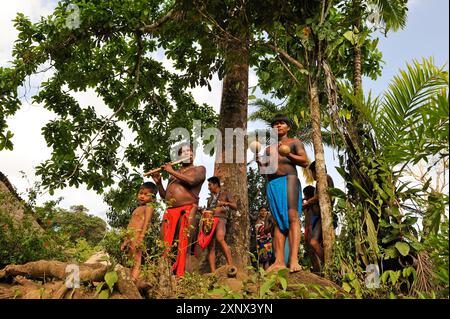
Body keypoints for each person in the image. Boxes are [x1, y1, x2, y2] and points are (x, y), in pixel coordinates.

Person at [256, 114, 309, 273]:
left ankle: (293, 260)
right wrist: (260, 163)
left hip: (289, 180)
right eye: (275, 124)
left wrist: (288, 154)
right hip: (273, 184)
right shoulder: (267, 149)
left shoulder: (294, 142)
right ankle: (279, 261)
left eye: (282, 123)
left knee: (293, 218)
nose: (278, 126)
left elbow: (305, 161)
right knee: (278, 223)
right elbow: (264, 171)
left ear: (288, 127)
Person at [151, 143, 206, 277]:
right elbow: (165, 197)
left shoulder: (199, 169)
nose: (189, 153)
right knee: (166, 246)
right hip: (170, 211)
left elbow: (192, 181)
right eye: (185, 152)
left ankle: (183, 280)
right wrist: (159, 183)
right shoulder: (173, 175)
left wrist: (171, 170)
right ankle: (165, 277)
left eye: (191, 151)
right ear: (179, 156)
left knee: (184, 246)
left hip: (188, 210)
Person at [197, 176, 237, 273]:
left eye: (210, 185)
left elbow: (235, 206)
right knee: (211, 246)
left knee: (220, 238)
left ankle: (231, 265)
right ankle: (213, 272)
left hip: (221, 219)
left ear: (216, 184)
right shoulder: (210, 199)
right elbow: (209, 211)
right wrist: (202, 211)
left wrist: (224, 203)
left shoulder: (225, 194)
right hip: (210, 221)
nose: (209, 187)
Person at [120, 182, 157, 283]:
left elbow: (147, 222)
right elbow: (131, 225)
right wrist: (125, 240)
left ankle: (133, 281)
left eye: (146, 194)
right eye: (140, 193)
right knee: (130, 258)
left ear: (152, 198)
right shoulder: (137, 208)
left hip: (138, 236)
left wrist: (141, 236)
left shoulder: (149, 206)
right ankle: (130, 279)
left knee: (136, 259)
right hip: (130, 237)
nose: (142, 196)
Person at [302, 161, 336, 272]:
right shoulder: (320, 181)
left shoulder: (326, 178)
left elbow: (321, 196)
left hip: (325, 216)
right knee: (314, 243)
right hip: (319, 217)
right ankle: (328, 266)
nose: (313, 175)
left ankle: (331, 267)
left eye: (312, 172)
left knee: (316, 243)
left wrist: (307, 203)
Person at [302, 185, 322, 273]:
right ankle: (316, 270)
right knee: (310, 250)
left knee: (313, 248)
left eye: (305, 194)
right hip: (308, 227)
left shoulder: (314, 203)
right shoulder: (308, 204)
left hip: (312, 226)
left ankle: (319, 270)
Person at [255, 206, 275, 270]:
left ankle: (267, 273)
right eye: (262, 211)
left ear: (267, 212)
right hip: (259, 240)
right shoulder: (256, 219)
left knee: (267, 257)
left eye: (265, 211)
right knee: (260, 257)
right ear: (259, 212)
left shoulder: (269, 219)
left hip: (268, 240)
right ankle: (261, 273)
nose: (263, 212)